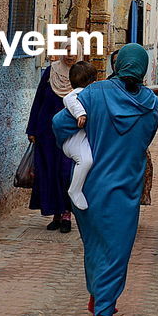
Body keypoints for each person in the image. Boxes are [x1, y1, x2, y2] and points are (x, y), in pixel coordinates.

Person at [53, 44, 158, 316]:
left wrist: (78, 143)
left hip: (89, 188)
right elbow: (146, 139)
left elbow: (58, 122)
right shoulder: (150, 103)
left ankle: (96, 299)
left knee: (95, 246)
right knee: (116, 253)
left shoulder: (94, 93)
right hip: (124, 189)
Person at [26, 53, 77, 233]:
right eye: (67, 50)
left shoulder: (79, 73)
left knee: (65, 173)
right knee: (48, 172)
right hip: (46, 132)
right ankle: (55, 213)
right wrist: (32, 129)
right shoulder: (50, 72)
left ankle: (66, 214)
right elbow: (38, 100)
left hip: (70, 133)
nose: (70, 55)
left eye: (74, 51)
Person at [60, 59, 98, 211]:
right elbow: (69, 100)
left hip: (78, 139)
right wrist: (80, 114)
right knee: (85, 161)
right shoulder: (76, 94)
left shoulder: (88, 93)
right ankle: (74, 189)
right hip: (73, 140)